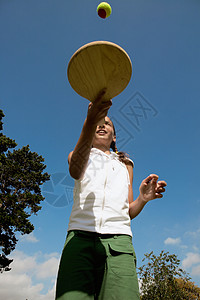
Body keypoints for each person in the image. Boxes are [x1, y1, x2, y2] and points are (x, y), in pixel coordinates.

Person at [55, 89, 167, 300]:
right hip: (80, 237)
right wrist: (89, 120)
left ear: (114, 136)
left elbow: (128, 211)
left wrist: (143, 199)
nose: (102, 124)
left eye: (107, 123)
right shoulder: (79, 154)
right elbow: (75, 170)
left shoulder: (126, 164)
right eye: (98, 121)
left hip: (119, 241)